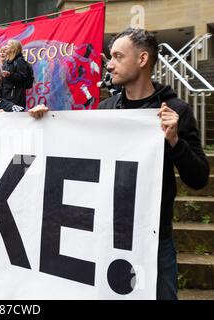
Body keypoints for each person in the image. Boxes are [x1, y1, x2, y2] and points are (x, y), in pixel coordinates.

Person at [99, 28, 209, 300]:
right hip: (106, 235)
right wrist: (40, 123)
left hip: (155, 239)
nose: (109, 64)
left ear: (142, 59)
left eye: (117, 56)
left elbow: (198, 178)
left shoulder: (176, 111)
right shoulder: (105, 110)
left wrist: (174, 141)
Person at [0, 39, 29, 108]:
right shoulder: (7, 61)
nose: (5, 46)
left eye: (8, 45)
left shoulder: (19, 61)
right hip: (6, 95)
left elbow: (23, 77)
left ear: (13, 49)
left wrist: (10, 74)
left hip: (15, 98)